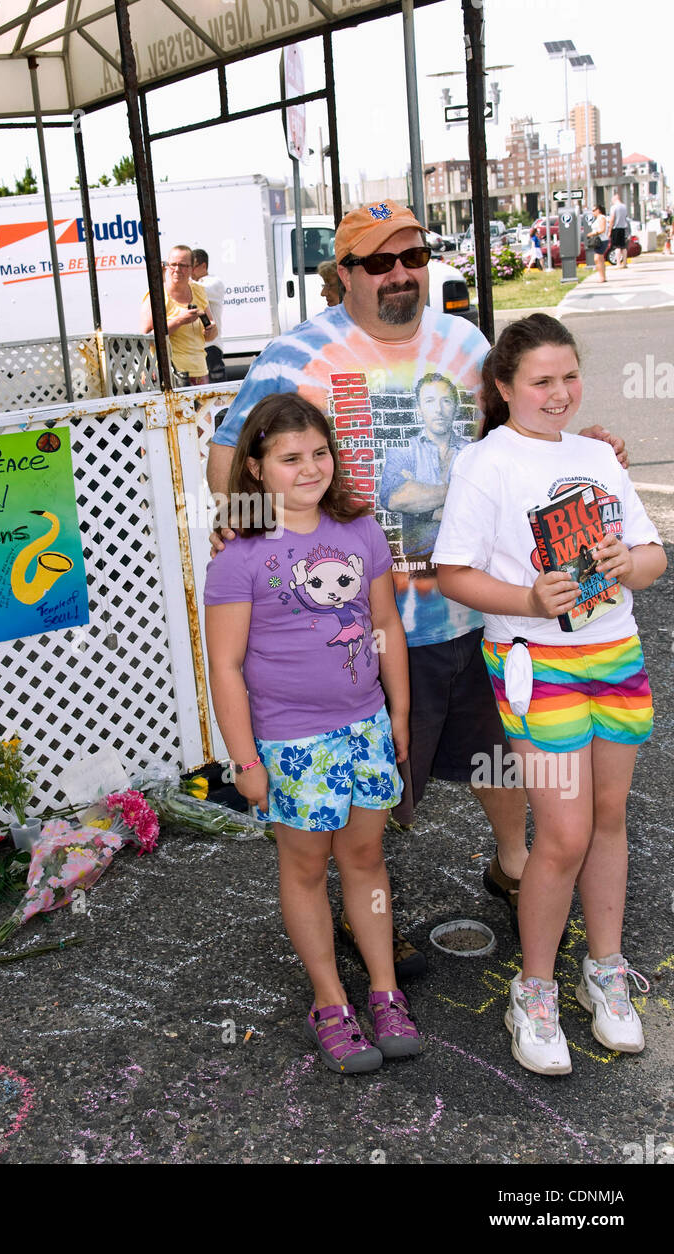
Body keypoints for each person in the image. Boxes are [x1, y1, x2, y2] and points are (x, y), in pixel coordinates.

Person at [206, 199, 627, 974]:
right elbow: (229, 454)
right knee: (374, 781)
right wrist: (244, 521)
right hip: (359, 624)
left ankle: (509, 866)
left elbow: (521, 434)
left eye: (412, 257)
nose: (399, 274)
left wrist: (583, 452)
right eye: (377, 262)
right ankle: (366, 916)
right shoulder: (296, 353)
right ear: (345, 274)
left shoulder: (465, 344)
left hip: (478, 608)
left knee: (494, 752)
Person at [433, 314, 665, 1075]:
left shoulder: (597, 453)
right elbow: (454, 571)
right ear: (504, 388)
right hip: (536, 660)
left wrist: (624, 563)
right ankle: (533, 991)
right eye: (541, 380)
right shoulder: (485, 462)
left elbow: (654, 554)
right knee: (561, 833)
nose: (559, 393)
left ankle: (606, 971)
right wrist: (529, 602)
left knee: (607, 817)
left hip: (615, 651)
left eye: (569, 376)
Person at [204, 392, 421, 1073]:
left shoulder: (361, 531)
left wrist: (400, 713)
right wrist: (245, 759)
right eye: (289, 457)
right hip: (290, 744)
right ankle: (330, 999)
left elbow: (386, 628)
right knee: (304, 866)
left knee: (365, 860)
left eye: (319, 453)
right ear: (257, 470)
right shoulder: (238, 554)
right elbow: (226, 664)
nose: (308, 468)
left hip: (365, 729)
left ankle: (383, 990)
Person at [378, 373, 470, 561]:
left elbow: (481, 508)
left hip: (467, 559)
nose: (438, 410)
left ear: (456, 407)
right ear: (419, 409)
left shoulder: (473, 452)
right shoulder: (404, 451)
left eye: (446, 401)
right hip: (419, 561)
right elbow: (394, 500)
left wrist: (421, 503)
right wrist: (463, 489)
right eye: (429, 401)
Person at [140, 244, 216, 386]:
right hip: (168, 374)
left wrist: (210, 329)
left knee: (202, 409)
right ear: (167, 266)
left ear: (191, 268)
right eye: (173, 264)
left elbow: (211, 334)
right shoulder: (156, 295)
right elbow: (147, 337)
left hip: (199, 371)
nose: (177, 269)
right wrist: (179, 320)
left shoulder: (198, 291)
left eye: (182, 265)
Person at [191, 248, 227, 382]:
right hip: (196, 348)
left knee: (217, 396)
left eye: (191, 268)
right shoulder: (194, 284)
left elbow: (197, 290)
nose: (189, 273)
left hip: (211, 346)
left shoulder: (214, 282)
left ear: (203, 266)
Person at [608, 193, 630, 269]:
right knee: (623, 247)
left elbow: (612, 219)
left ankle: (618, 263)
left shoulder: (613, 207)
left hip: (615, 228)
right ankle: (624, 263)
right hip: (623, 228)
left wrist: (609, 230)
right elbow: (626, 217)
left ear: (614, 199)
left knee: (617, 247)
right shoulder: (624, 207)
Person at [588, 204, 609, 284]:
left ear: (598, 210)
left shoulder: (602, 218)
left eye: (594, 210)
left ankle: (602, 277)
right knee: (600, 259)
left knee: (597, 258)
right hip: (599, 240)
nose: (593, 212)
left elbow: (602, 229)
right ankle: (602, 276)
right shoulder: (597, 219)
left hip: (602, 240)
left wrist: (593, 234)